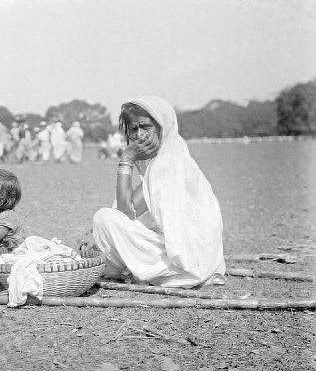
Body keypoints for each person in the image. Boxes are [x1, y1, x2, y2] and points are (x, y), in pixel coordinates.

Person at [86, 97, 225, 288]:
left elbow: (126, 213)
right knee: (106, 223)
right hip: (192, 257)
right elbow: (128, 211)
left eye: (145, 127)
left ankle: (149, 270)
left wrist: (127, 158)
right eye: (134, 129)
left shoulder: (168, 165)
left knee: (103, 218)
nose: (139, 135)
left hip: (188, 262)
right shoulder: (168, 161)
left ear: (162, 127)